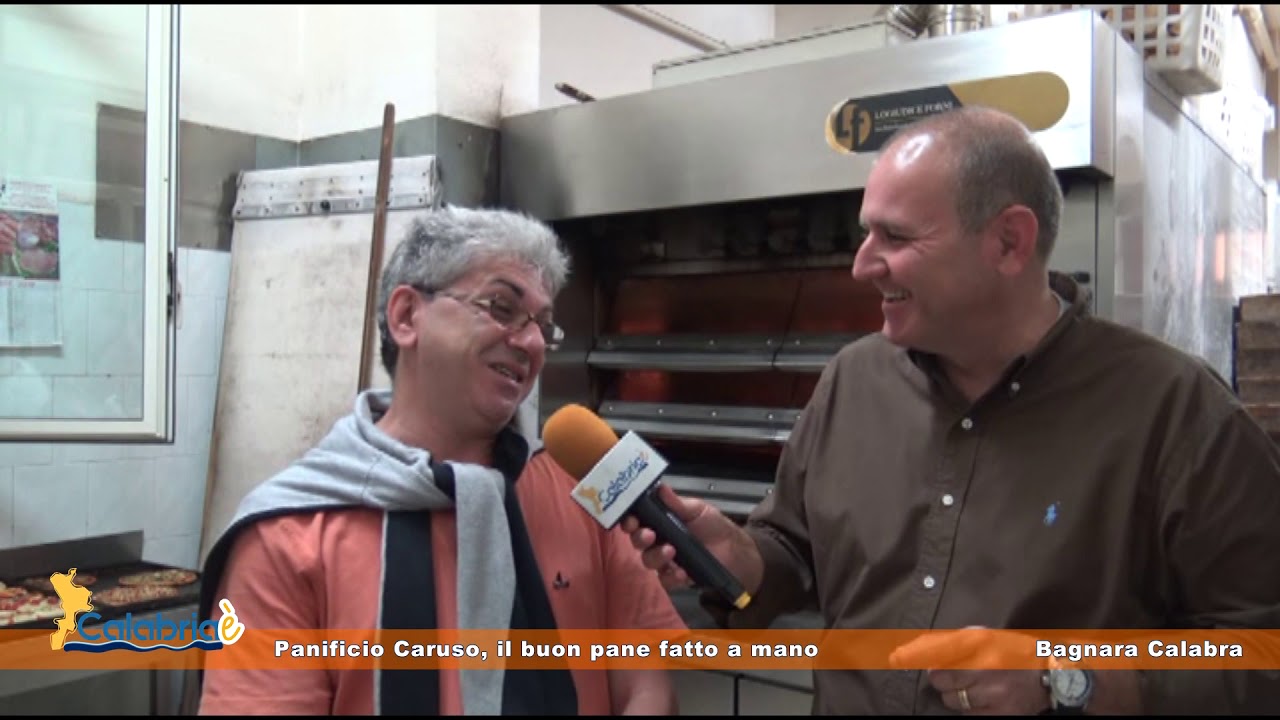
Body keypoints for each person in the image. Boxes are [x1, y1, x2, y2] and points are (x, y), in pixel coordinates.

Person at [623, 106, 1280, 714]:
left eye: (895, 236)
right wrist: (738, 556)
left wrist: (1068, 679)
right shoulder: (854, 381)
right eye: (864, 233)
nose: (860, 266)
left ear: (1007, 243)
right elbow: (794, 548)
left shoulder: (1175, 414)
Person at [197, 206, 684, 715]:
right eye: (501, 306)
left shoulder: (583, 490)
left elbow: (647, 680)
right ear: (407, 316)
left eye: (545, 326)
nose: (534, 342)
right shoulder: (287, 536)